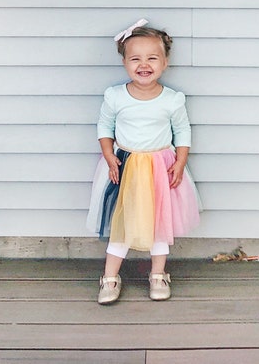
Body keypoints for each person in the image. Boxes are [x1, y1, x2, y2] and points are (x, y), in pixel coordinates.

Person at [86, 19, 201, 305]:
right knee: (122, 222)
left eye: (152, 58)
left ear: (165, 62)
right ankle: (110, 276)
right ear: (124, 62)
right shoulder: (115, 96)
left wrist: (180, 160)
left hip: (160, 168)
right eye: (135, 58)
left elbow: (182, 131)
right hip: (125, 167)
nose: (144, 64)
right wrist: (109, 155)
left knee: (159, 223)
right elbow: (104, 126)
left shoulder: (172, 100)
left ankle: (158, 273)